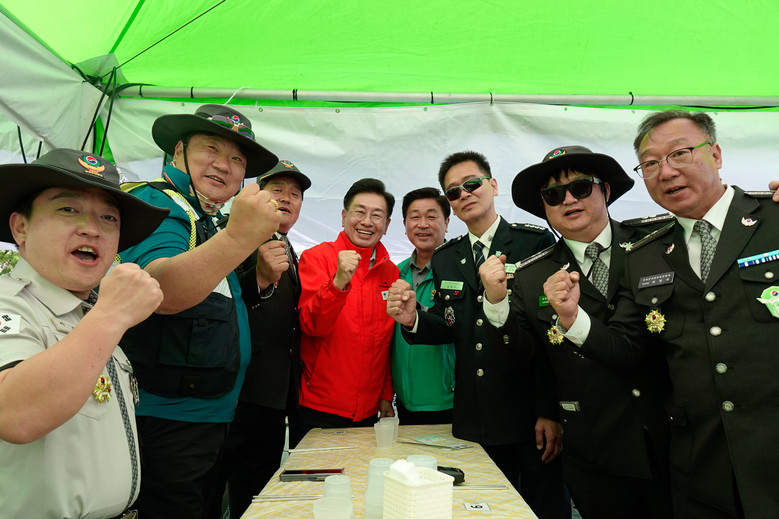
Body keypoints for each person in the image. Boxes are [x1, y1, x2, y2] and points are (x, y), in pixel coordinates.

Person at [547, 110, 779, 518]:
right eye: (650, 164)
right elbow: (628, 348)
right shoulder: (646, 254)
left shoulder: (773, 218)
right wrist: (571, 318)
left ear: (716, 154)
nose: (666, 171)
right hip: (701, 470)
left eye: (679, 154)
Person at [482, 145, 673, 518]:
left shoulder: (656, 243)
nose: (568, 199)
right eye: (553, 195)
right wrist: (496, 301)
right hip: (595, 448)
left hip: (670, 438)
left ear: (606, 190)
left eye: (581, 187)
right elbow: (521, 357)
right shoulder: (531, 275)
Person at [118, 104, 282, 519]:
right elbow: (161, 289)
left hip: (213, 413)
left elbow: (214, 301)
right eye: (211, 148)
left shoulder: (207, 219)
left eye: (237, 159)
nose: (224, 165)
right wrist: (241, 237)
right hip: (168, 417)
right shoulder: (156, 204)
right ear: (178, 151)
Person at [387, 151, 568, 519]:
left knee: (543, 507)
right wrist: (413, 319)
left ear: (493, 185)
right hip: (475, 416)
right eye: (454, 192)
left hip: (528, 414)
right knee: (484, 508)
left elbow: (551, 334)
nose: (464, 194)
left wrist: (549, 410)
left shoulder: (533, 243)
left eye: (471, 184)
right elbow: (449, 323)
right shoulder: (446, 257)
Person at [0, 148, 168, 518]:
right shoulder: (8, 302)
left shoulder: (89, 313)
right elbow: (14, 414)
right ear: (21, 227)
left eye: (108, 218)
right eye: (67, 209)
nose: (92, 228)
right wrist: (111, 315)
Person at [217, 159, 312, 518]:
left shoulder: (291, 250)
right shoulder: (230, 235)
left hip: (272, 399)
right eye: (277, 190)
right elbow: (214, 301)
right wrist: (258, 278)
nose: (287, 198)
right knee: (211, 493)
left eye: (295, 194)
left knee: (257, 497)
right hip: (234, 396)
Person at [289, 178, 398, 448]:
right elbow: (311, 325)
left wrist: (386, 393)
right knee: (316, 475)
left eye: (377, 215)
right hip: (319, 407)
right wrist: (337, 283)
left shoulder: (391, 271)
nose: (367, 222)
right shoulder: (317, 257)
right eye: (359, 212)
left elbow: (387, 342)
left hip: (369, 411)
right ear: (343, 216)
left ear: (386, 225)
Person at [391, 187, 455, 425]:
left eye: (431, 216)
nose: (422, 224)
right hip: (405, 400)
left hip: (448, 400)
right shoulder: (396, 272)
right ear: (405, 224)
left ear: (446, 222)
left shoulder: (459, 269)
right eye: (415, 217)